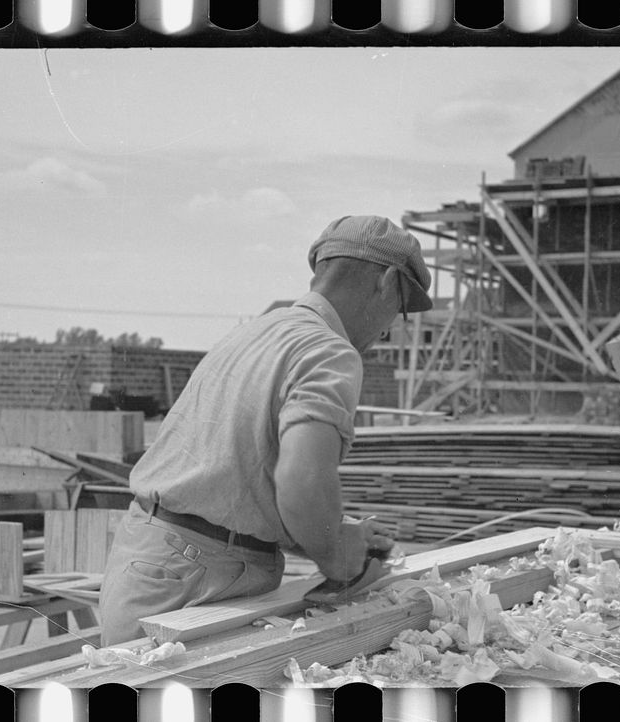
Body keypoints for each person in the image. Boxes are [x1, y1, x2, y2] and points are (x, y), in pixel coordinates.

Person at [99, 215, 434, 645]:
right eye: (400, 308)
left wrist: (337, 527)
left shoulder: (256, 333)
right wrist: (337, 556)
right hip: (194, 579)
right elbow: (301, 481)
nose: (390, 329)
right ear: (386, 282)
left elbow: (235, 479)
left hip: (153, 559)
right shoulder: (329, 352)